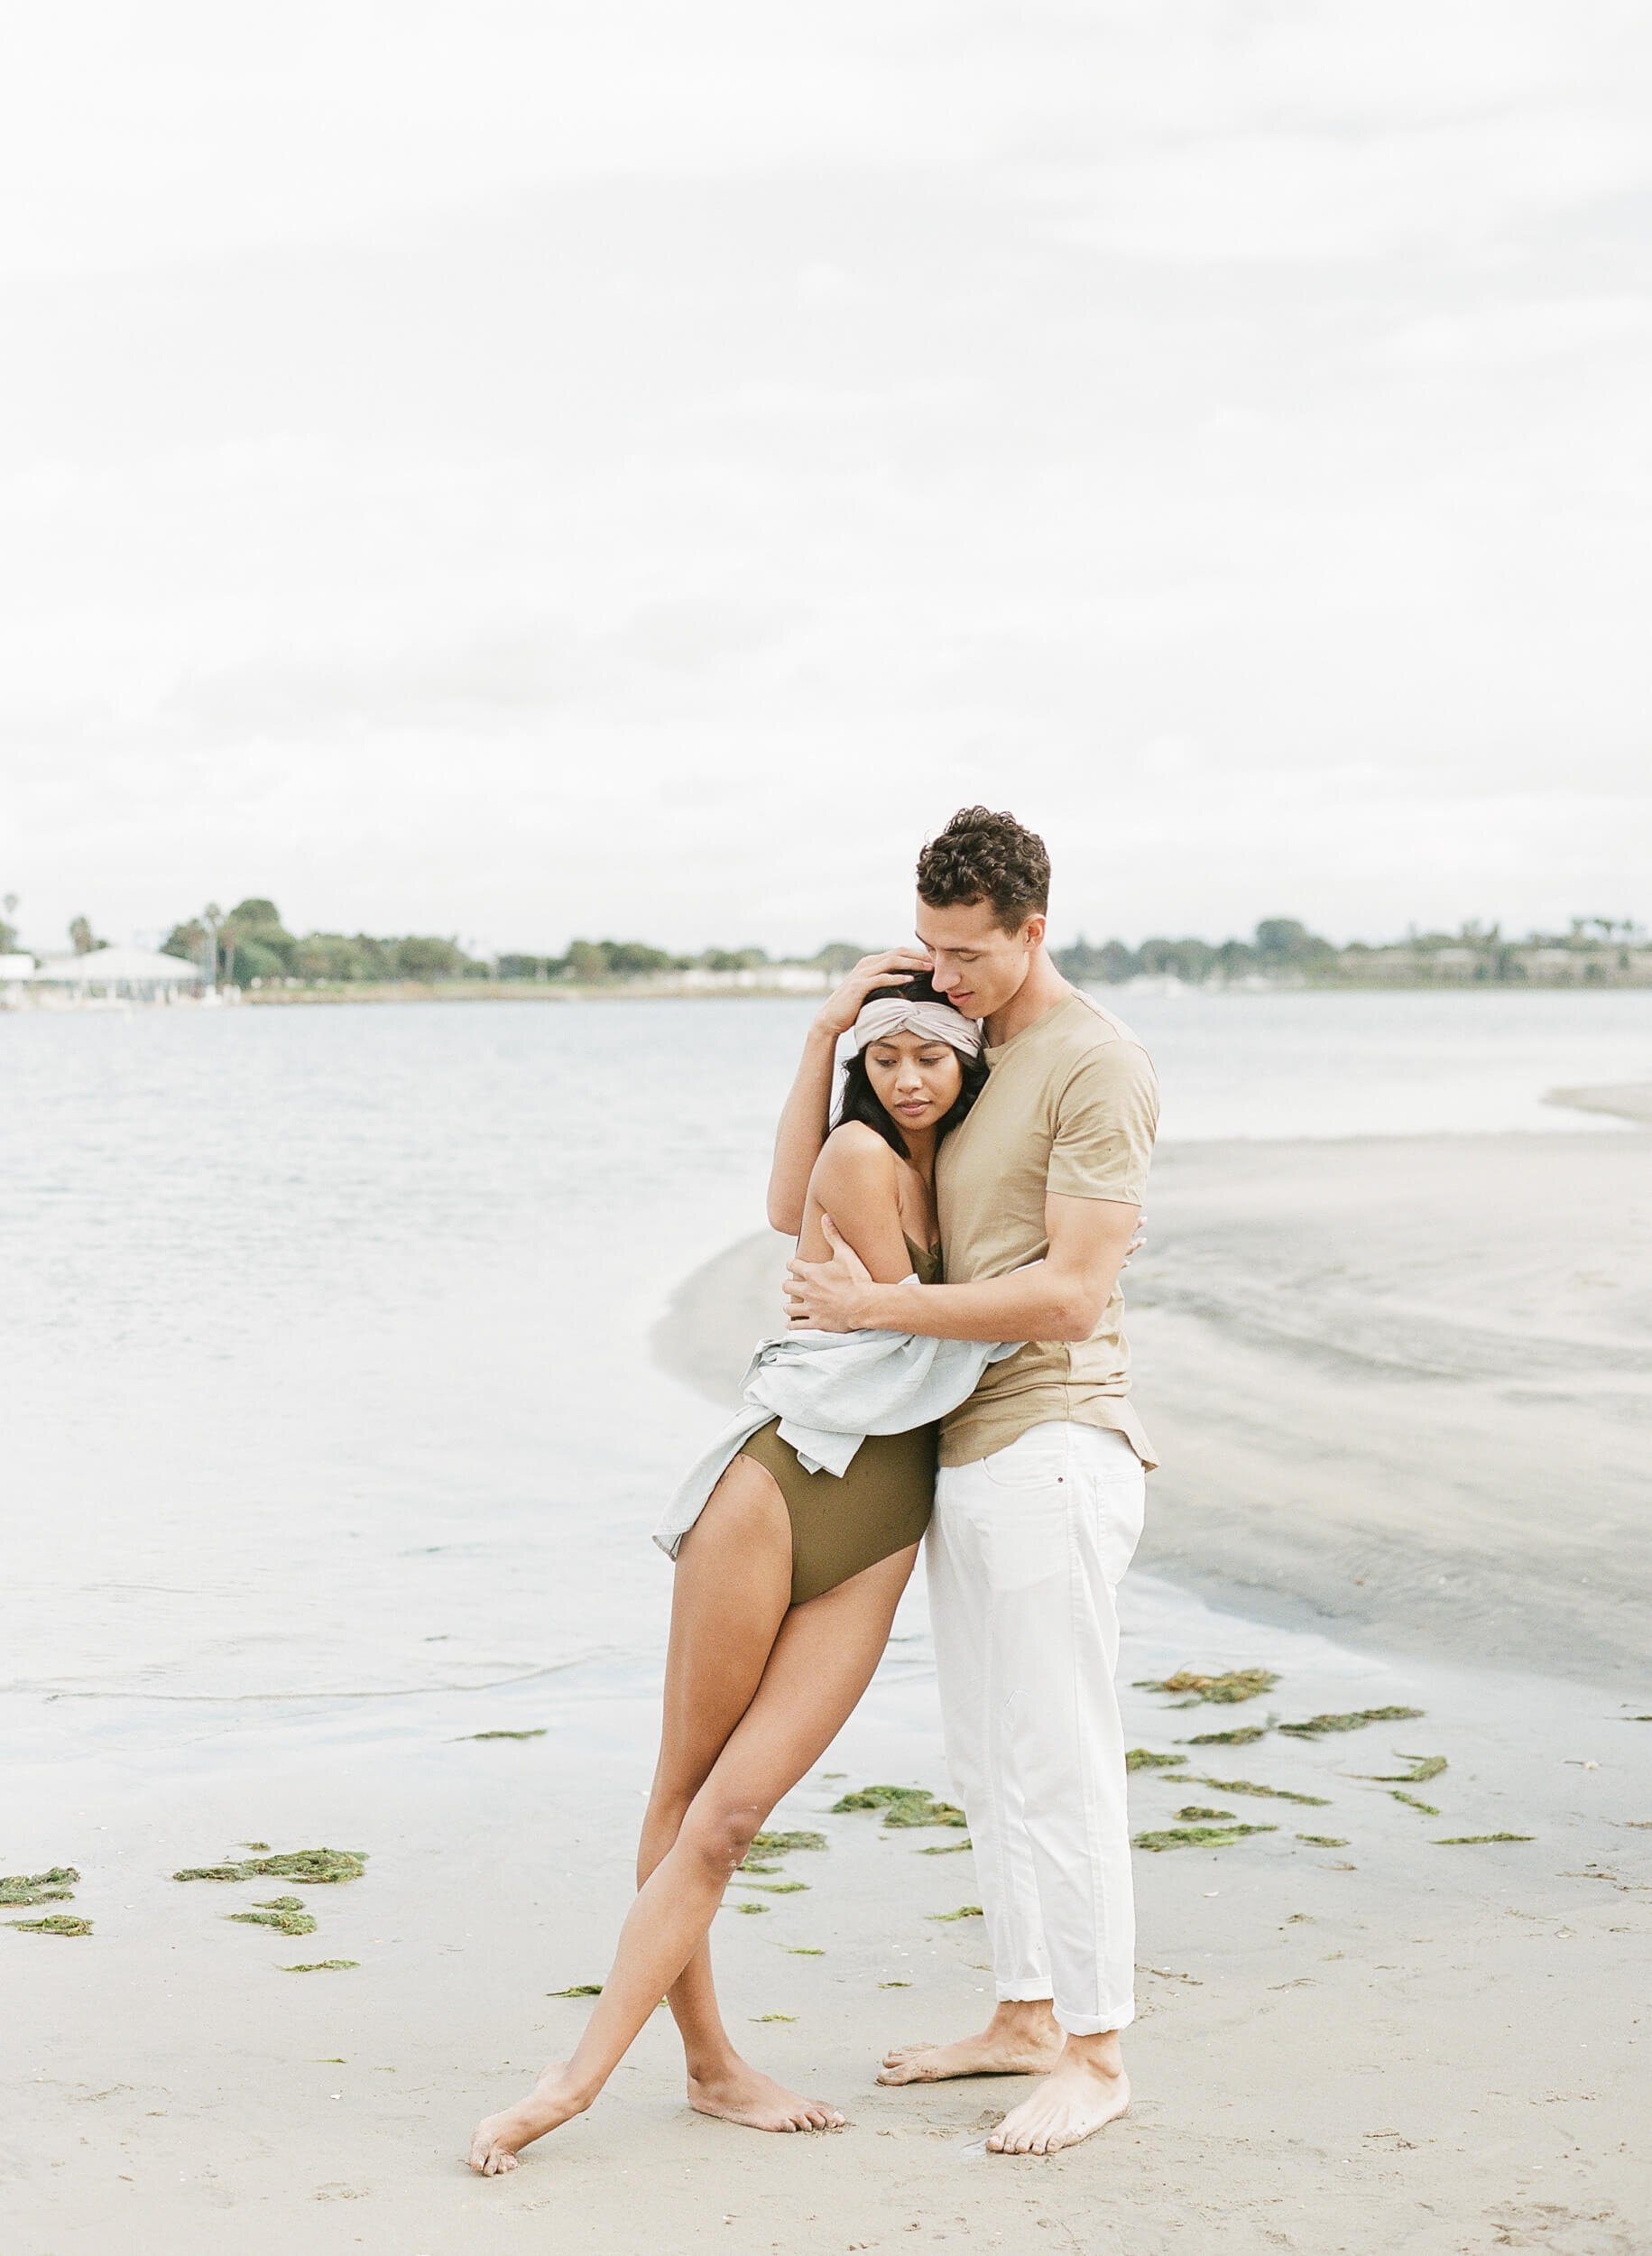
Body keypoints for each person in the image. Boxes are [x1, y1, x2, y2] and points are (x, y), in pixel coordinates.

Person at [467, 967, 990, 2176]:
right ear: (865, 1065)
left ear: (968, 1062)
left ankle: (695, 2068)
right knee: (693, 1793)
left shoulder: (950, 1171)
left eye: (931, 1056)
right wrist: (821, 1030)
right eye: (886, 1055)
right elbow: (925, 1317)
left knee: (740, 1811)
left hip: (882, 1524)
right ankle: (612, 2076)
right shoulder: (861, 1153)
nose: (906, 1078)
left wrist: (920, 1304)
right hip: (777, 1484)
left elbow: (823, 1246)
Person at [778, 806, 1158, 2158]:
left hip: (1058, 1441)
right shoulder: (968, 1043)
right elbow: (835, 1175)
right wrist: (835, 1028)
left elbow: (1067, 1298)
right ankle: (1023, 2014)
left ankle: (1099, 2053)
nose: (945, 979)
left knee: (1062, 1758)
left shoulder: (1095, 1064)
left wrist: (877, 1311)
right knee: (987, 1761)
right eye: (929, 952)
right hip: (969, 1453)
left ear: (1033, 930)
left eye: (968, 957)